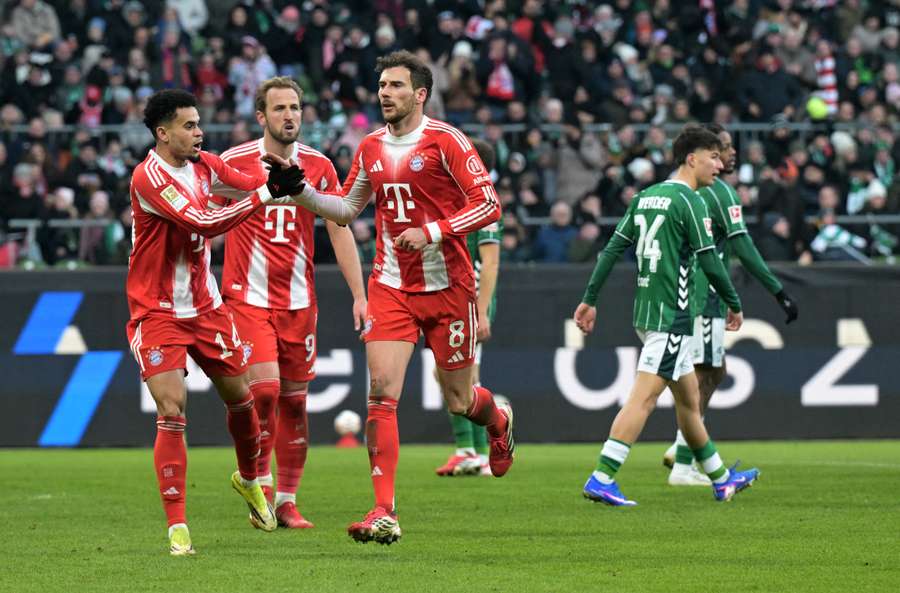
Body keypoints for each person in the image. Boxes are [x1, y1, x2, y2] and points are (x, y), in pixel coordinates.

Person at [286, 50, 514, 544]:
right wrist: (301, 192)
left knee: (458, 400)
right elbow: (345, 209)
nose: (384, 92)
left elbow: (489, 204)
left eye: (394, 85)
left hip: (450, 288)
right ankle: (382, 510)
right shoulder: (368, 146)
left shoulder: (446, 141)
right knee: (381, 394)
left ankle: (497, 421)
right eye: (382, 85)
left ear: (420, 94)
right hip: (390, 285)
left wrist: (432, 230)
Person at [125, 89, 305, 555]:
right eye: (189, 126)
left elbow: (242, 178)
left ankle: (249, 481)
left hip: (207, 311)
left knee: (242, 401)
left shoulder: (204, 165)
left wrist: (273, 171)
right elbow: (202, 223)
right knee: (172, 411)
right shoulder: (149, 178)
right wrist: (268, 193)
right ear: (163, 134)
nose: (199, 132)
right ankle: (177, 526)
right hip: (158, 311)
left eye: (199, 123)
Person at [573, 125, 760, 506]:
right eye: (713, 156)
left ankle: (721, 479)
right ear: (692, 158)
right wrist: (733, 301)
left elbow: (611, 249)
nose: (720, 164)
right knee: (643, 399)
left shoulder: (646, 196)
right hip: (671, 315)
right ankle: (603, 476)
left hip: (646, 310)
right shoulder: (691, 201)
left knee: (689, 402)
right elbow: (709, 258)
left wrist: (590, 297)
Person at [212, 77, 367, 528]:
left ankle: (286, 499)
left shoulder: (318, 166)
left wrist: (360, 294)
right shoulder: (235, 163)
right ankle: (257, 487)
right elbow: (201, 212)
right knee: (264, 392)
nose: (289, 116)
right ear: (261, 116)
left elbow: (339, 226)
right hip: (247, 298)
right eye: (279, 108)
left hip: (300, 301)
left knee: (295, 403)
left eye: (296, 108)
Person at [663, 123, 799, 485]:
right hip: (703, 295)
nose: (731, 153)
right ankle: (683, 457)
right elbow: (743, 248)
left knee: (707, 371)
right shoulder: (719, 193)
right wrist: (777, 290)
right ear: (704, 155)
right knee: (703, 374)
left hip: (678, 291)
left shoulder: (675, 189)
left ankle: (683, 450)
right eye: (722, 148)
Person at [435, 137, 501, 477]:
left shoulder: (483, 206)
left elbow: (490, 264)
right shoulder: (457, 200)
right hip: (451, 296)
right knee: (446, 373)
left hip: (470, 300)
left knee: (465, 375)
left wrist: (483, 309)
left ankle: (479, 447)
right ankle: (472, 450)